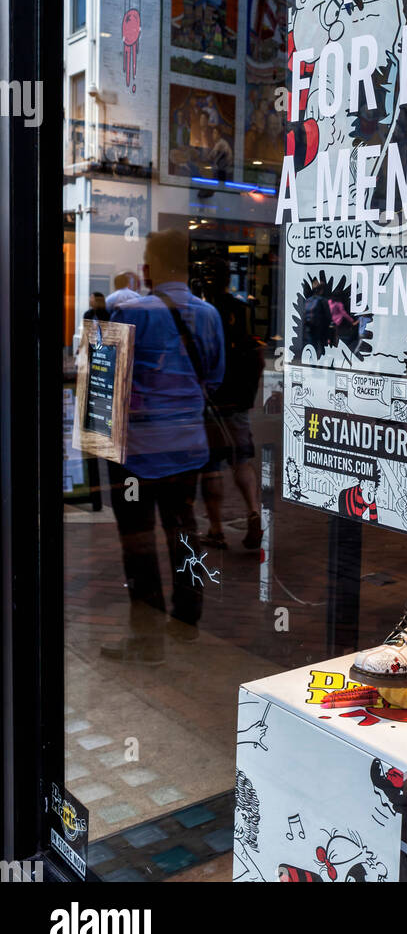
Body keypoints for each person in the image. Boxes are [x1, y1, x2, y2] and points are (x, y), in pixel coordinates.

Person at [102, 228, 224, 664]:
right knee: (183, 532)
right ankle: (188, 621)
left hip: (137, 450)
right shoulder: (208, 315)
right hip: (186, 447)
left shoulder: (132, 313)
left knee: (137, 542)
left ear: (148, 268)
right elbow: (214, 377)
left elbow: (111, 384)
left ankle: (147, 640)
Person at [199, 259, 265, 551]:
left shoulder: (202, 312)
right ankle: (253, 511)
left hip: (213, 398)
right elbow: (257, 353)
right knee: (241, 458)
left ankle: (216, 529)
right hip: (238, 396)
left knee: (212, 464)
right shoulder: (242, 309)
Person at [302, 279, 333, 357]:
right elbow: (328, 316)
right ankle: (321, 364)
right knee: (322, 346)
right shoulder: (323, 300)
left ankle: (313, 364)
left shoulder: (308, 300)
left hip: (309, 327)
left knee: (312, 345)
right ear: (321, 290)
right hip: (320, 328)